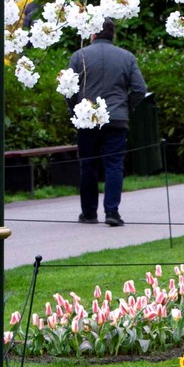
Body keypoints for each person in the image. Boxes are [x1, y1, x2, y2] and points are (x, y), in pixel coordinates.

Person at [65, 18, 148, 225]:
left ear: (92, 33)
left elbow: (68, 89)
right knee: (114, 165)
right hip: (116, 118)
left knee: (88, 165)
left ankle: (89, 213)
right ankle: (112, 212)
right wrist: (125, 106)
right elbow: (140, 89)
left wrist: (75, 109)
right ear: (113, 34)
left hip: (87, 119)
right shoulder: (127, 57)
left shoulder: (79, 56)